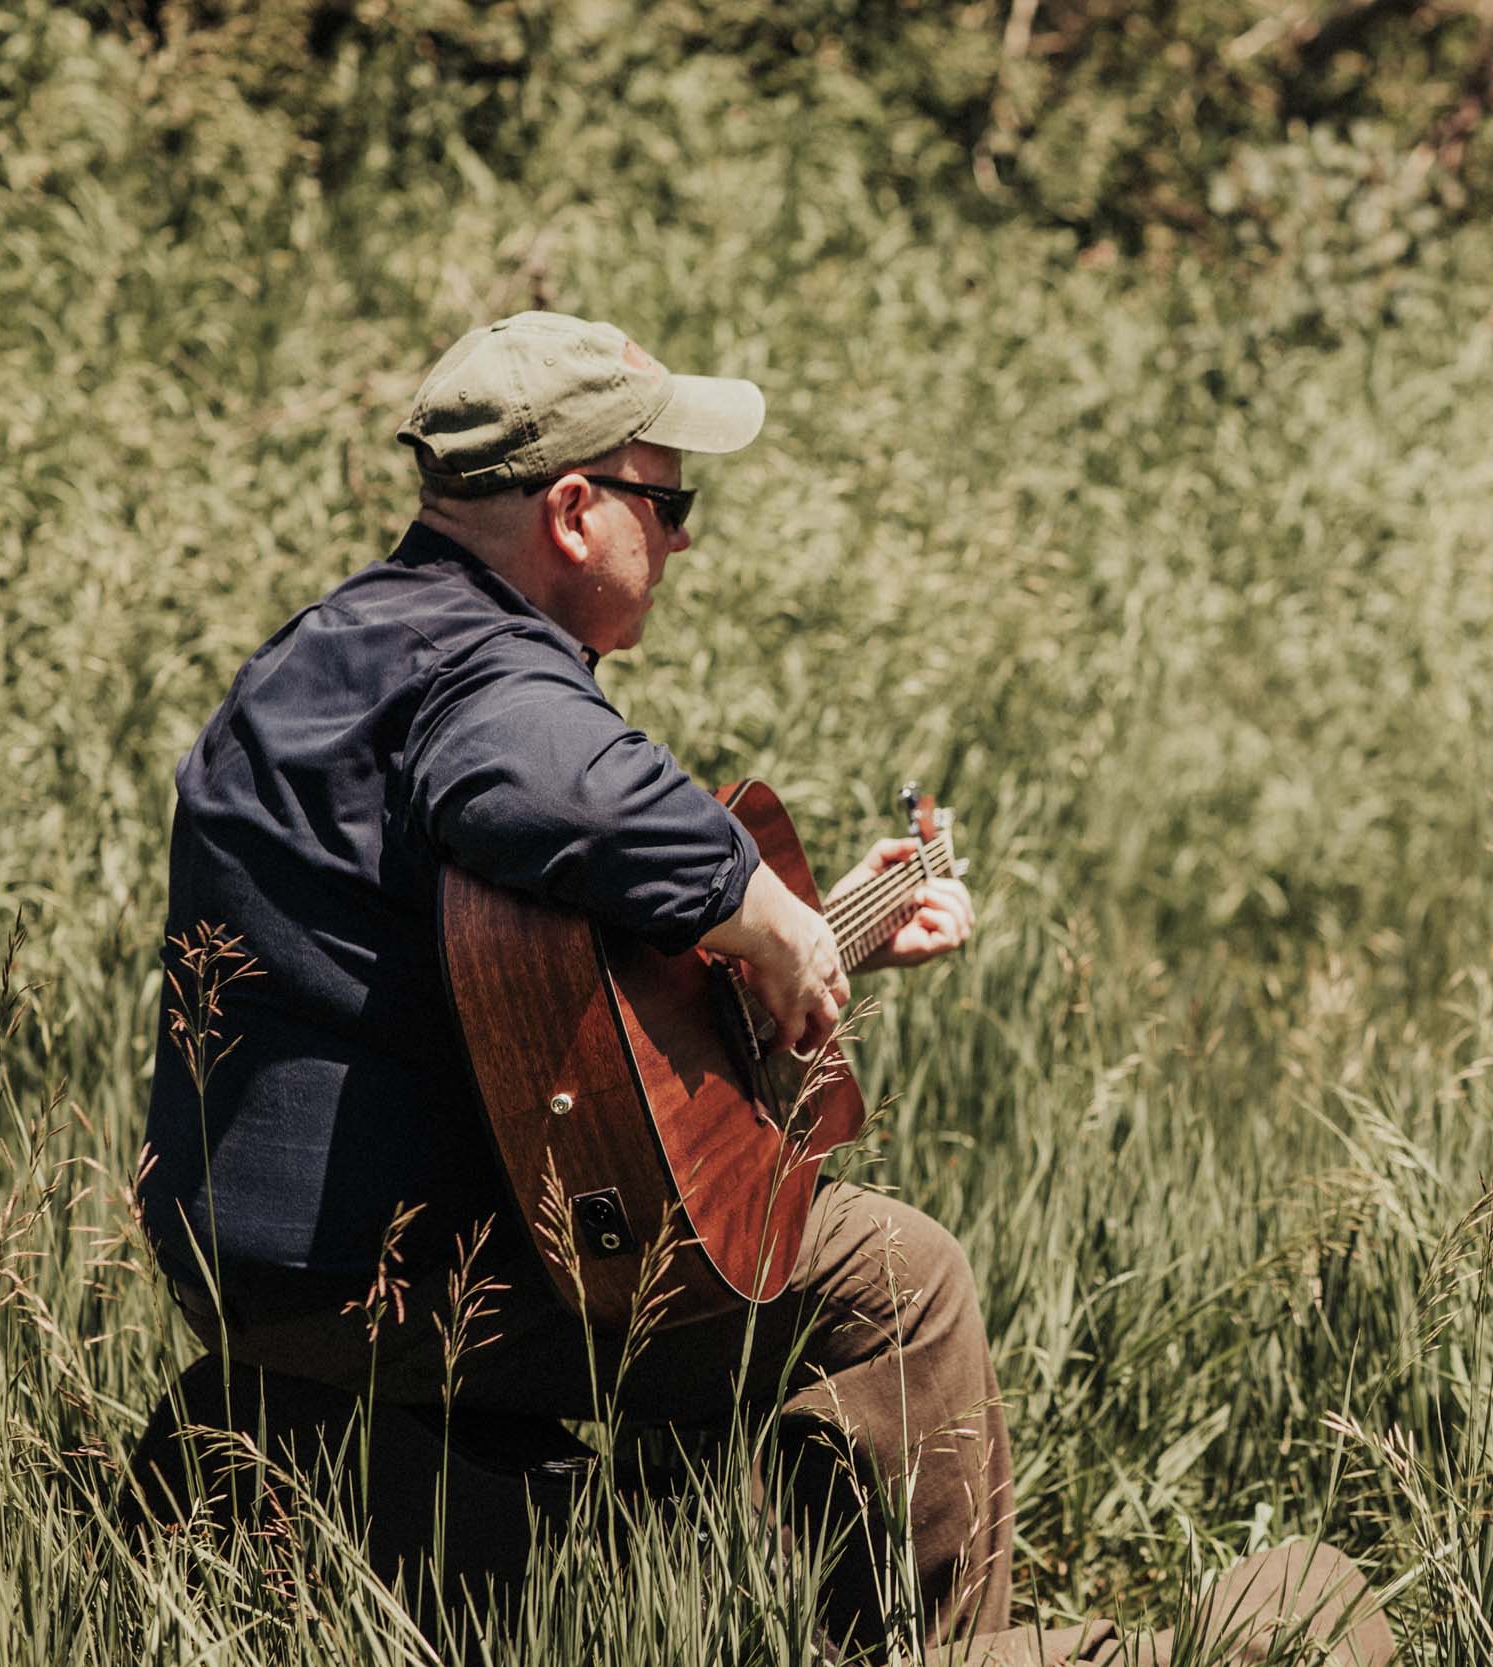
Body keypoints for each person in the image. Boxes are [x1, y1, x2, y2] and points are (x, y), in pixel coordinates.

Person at [137, 311, 1393, 1665]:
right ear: (572, 510)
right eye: (669, 502)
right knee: (897, 1279)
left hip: (256, 1268)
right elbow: (557, 780)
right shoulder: (482, 676)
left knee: (735, 1251)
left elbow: (533, 1018)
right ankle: (943, 1646)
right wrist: (770, 920)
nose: (682, 539)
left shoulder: (327, 653)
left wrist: (829, 933)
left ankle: (711, 1592)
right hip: (426, 1279)